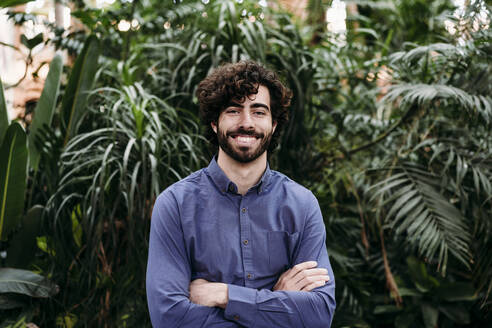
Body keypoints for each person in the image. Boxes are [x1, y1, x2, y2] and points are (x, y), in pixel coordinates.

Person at [146, 61, 336, 327]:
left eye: (259, 112)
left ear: (273, 125)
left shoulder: (302, 205)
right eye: (234, 110)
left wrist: (225, 295)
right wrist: (276, 301)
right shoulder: (175, 205)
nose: (246, 123)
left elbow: (318, 314)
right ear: (215, 122)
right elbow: (170, 318)